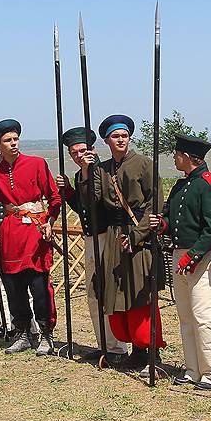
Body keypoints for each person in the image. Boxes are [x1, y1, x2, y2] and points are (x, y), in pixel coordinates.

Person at [78, 114, 166, 375]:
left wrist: (138, 235)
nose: (120, 140)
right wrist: (86, 171)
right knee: (117, 291)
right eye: (115, 136)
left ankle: (149, 351)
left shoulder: (144, 164)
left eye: (124, 136)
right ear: (106, 140)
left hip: (139, 236)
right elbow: (90, 202)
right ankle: (134, 351)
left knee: (140, 292)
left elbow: (155, 204)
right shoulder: (102, 169)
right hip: (115, 237)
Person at [0, 119, 61, 356]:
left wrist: (50, 222)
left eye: (16, 139)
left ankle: (47, 334)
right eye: (8, 140)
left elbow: (54, 197)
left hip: (36, 232)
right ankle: (23, 333)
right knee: (14, 285)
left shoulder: (37, 164)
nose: (13, 143)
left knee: (39, 285)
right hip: (10, 232)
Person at [150, 134, 211, 390]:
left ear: (186, 156)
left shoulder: (210, 185)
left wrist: (192, 256)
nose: (174, 157)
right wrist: (161, 224)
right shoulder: (180, 186)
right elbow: (172, 220)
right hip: (180, 256)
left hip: (203, 259)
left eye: (176, 154)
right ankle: (193, 369)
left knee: (204, 316)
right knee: (186, 316)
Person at [57, 126, 128, 362]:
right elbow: (82, 207)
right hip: (90, 237)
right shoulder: (82, 175)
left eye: (82, 151)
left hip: (107, 236)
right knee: (93, 293)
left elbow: (98, 203)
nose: (79, 156)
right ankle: (104, 344)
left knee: (108, 291)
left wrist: (88, 174)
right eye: (74, 153)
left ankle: (117, 346)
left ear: (93, 150)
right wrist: (68, 190)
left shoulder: (102, 172)